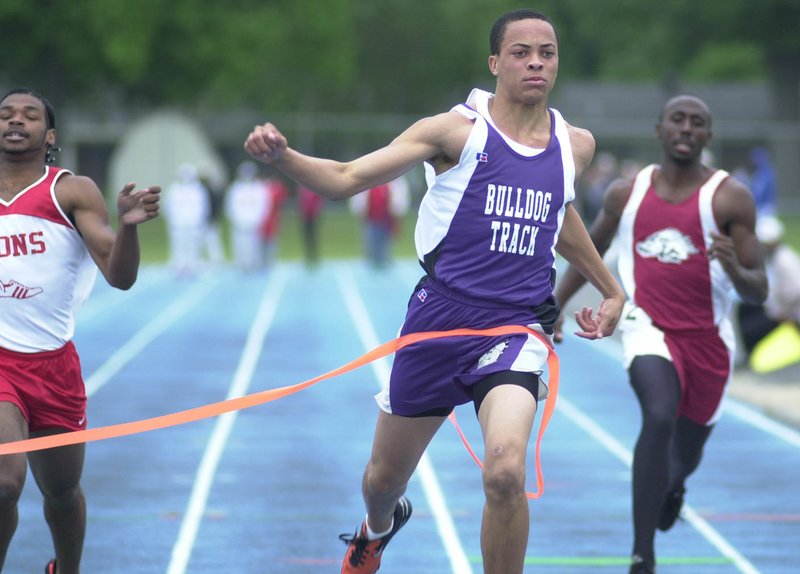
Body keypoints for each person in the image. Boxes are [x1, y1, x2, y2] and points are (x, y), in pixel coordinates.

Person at [244, 10, 624, 574]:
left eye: (547, 51)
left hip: (514, 329)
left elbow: (557, 213)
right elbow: (347, 179)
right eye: (521, 52)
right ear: (495, 63)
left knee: (504, 472)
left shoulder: (575, 145)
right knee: (382, 480)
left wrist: (610, 288)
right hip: (439, 320)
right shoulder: (454, 133)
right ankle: (376, 528)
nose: (537, 62)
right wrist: (284, 159)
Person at [552, 95, 768, 574]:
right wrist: (555, 306)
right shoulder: (627, 194)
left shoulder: (730, 199)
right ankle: (642, 554)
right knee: (658, 413)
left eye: (698, 123)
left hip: (709, 342)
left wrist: (734, 267)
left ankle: (673, 485)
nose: (687, 129)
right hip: (646, 327)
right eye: (678, 120)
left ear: (708, 137)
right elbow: (590, 247)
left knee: (683, 457)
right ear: (659, 130)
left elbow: (759, 291)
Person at [0, 88, 160, 574]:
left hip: (54, 366)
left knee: (63, 493)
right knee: (5, 482)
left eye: (29, 116)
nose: (15, 121)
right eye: (5, 114)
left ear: (49, 136)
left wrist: (129, 227)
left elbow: (121, 275)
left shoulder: (71, 191)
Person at [737, 215, 800, 356]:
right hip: (777, 309)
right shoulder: (774, 259)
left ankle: (747, 353)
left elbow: (795, 294)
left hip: (787, 316)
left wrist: (784, 315)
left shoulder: (785, 262)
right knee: (744, 308)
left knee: (749, 330)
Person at [349, 175, 411, 269]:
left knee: (385, 247)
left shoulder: (396, 180)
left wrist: (397, 219)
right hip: (371, 218)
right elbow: (360, 199)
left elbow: (399, 200)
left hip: (387, 219)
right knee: (370, 246)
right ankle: (371, 265)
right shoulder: (367, 179)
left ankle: (384, 265)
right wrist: (360, 212)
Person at [164, 163, 210, 276]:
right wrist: (173, 220)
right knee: (178, 245)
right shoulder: (174, 189)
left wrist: (199, 221)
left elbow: (204, 206)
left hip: (194, 223)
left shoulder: (198, 189)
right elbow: (168, 206)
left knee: (194, 245)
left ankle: (193, 266)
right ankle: (179, 266)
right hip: (178, 223)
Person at [225, 161, 272, 271]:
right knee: (240, 244)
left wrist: (259, 219)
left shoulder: (259, 188)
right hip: (239, 221)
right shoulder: (235, 188)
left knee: (254, 244)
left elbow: (264, 204)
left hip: (254, 221)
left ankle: (254, 263)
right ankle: (242, 264)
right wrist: (235, 219)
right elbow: (230, 205)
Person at [296, 184, 324, 269]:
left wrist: (317, 213)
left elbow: (319, 202)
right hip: (305, 217)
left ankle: (315, 257)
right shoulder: (303, 189)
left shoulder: (314, 189)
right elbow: (300, 202)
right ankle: (308, 257)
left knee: (314, 238)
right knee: (306, 238)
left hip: (313, 217)